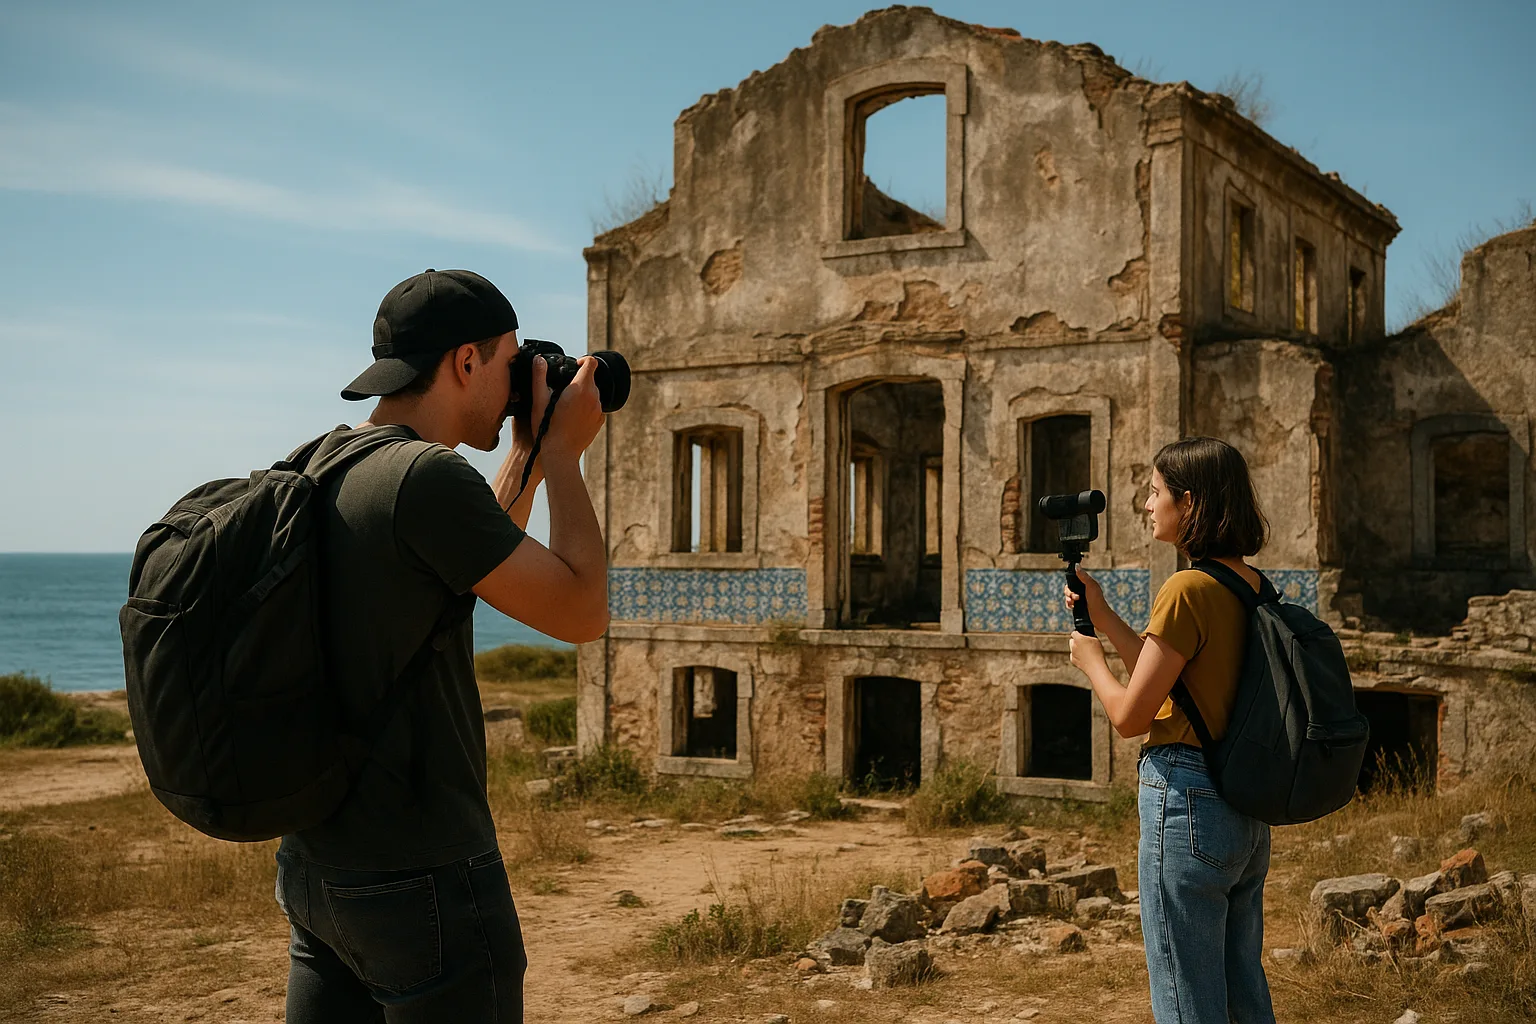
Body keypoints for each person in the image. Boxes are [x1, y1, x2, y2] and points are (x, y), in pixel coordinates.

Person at [273, 269, 609, 1024]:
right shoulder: (427, 480)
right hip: (425, 873)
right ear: (466, 362)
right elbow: (584, 612)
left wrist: (525, 448)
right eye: (510, 361)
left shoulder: (322, 463)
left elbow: (470, 571)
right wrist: (564, 457)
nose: (522, 380)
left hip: (317, 868)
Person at [1063, 436, 1275, 1024]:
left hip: (1185, 802)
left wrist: (1091, 662)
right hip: (1244, 807)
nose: (1146, 504)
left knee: (1186, 997)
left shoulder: (1185, 588)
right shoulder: (1248, 585)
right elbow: (1176, 683)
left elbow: (1132, 716)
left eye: (1155, 492)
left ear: (1189, 502)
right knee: (1241, 994)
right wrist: (1101, 616)